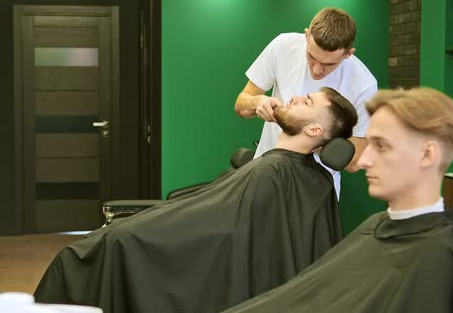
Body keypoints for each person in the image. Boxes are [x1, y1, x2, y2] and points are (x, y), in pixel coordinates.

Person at [34, 87, 358, 313]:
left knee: (84, 254)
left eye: (308, 101)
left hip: (184, 246)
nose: (297, 95)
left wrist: (132, 232)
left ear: (315, 130)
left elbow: (218, 229)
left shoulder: (275, 172)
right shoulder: (307, 177)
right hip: (192, 229)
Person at [223, 87, 453, 313]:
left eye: (381, 146)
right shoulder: (374, 227)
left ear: (427, 155)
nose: (363, 160)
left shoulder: (452, 259)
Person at [235, 7, 377, 198]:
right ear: (307, 36)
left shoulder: (364, 85)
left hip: (314, 192)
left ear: (348, 54)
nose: (317, 70)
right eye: (311, 57)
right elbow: (241, 105)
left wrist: (303, 131)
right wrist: (256, 102)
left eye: (329, 65)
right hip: (266, 175)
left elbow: (354, 161)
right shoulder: (283, 46)